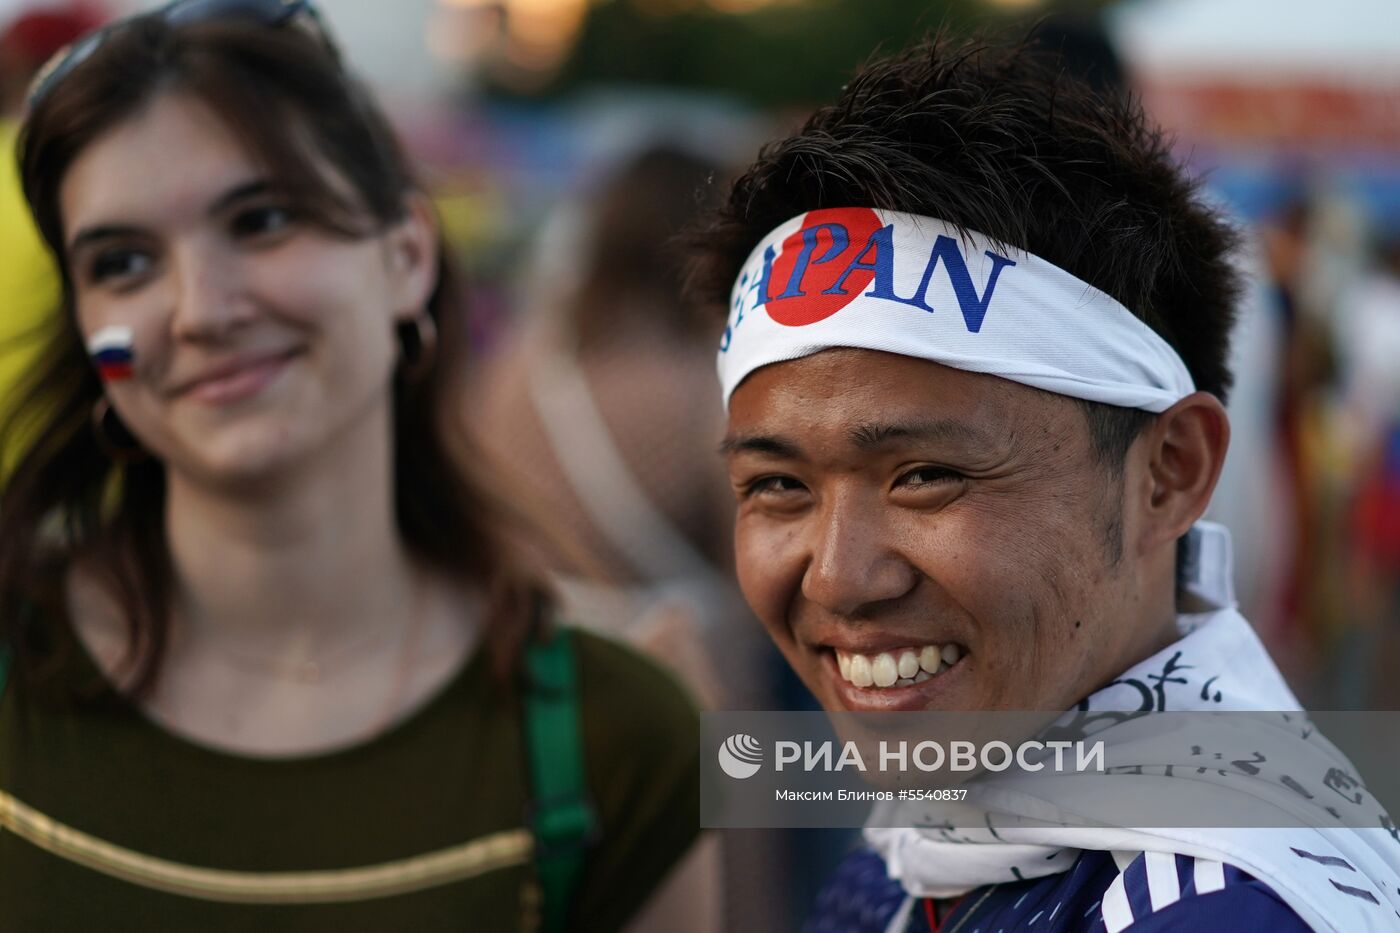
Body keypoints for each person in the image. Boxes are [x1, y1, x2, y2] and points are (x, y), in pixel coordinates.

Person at [0, 2, 701, 930]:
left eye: (261, 219)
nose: (201, 309)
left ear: (407, 256)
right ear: (89, 328)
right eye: (124, 262)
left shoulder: (621, 735)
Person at [686, 36, 1400, 932]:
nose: (836, 576)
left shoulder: (1220, 911)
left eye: (927, 476)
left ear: (1168, 473)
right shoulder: (939, 829)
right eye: (779, 484)